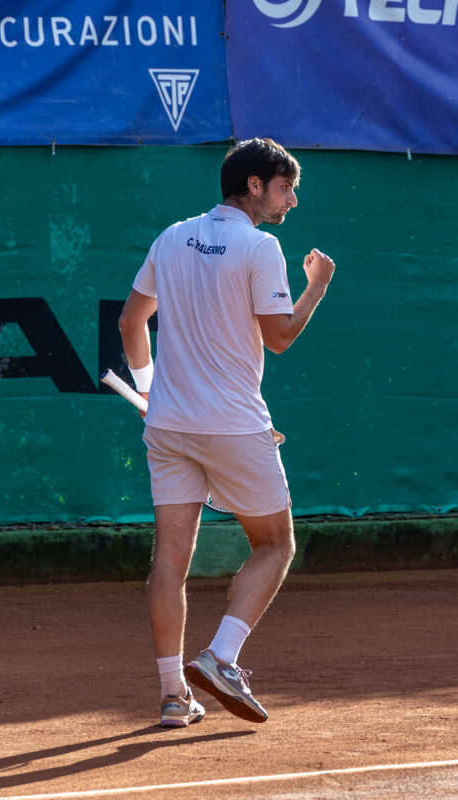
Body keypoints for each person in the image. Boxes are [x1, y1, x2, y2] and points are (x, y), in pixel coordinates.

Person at [118, 137, 335, 728]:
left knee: (170, 560)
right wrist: (317, 286)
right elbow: (279, 337)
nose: (292, 201)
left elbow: (131, 322)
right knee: (276, 545)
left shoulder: (171, 237)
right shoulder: (261, 246)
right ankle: (221, 657)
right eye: (286, 188)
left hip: (168, 425)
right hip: (233, 426)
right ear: (255, 185)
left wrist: (149, 391)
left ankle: (172, 695)